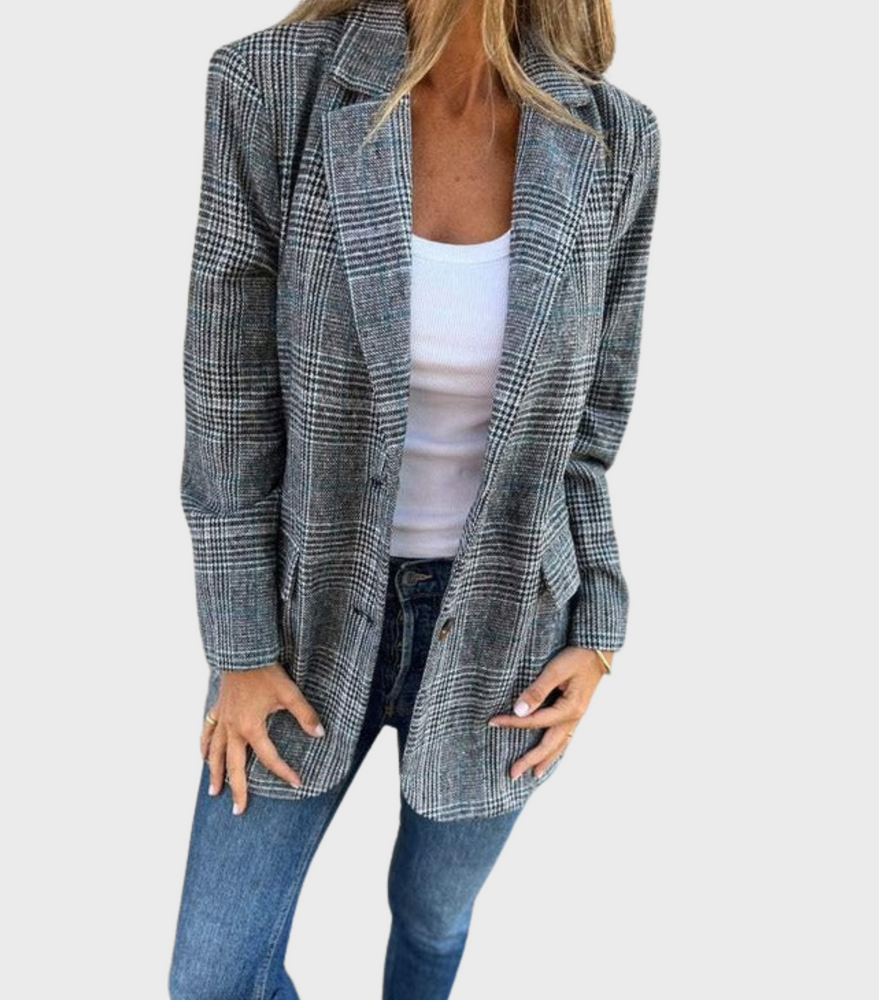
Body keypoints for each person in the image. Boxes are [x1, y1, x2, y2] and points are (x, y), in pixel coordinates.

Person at [169, 0, 661, 996]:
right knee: (212, 977)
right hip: (301, 630)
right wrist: (240, 649)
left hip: (509, 641)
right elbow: (226, 397)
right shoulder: (269, 87)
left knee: (433, 920)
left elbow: (590, 431)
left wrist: (599, 629)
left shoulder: (615, 137)